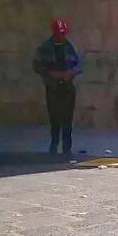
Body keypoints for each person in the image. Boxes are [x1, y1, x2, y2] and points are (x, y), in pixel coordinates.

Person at [33, 19, 82, 156]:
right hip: (53, 86)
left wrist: (71, 73)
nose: (61, 36)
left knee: (68, 117)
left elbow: (79, 64)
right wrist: (50, 73)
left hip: (67, 86)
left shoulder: (70, 46)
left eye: (63, 33)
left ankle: (67, 147)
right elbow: (37, 65)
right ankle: (54, 144)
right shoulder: (45, 48)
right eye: (59, 33)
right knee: (54, 117)